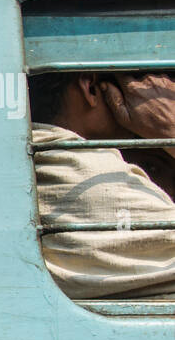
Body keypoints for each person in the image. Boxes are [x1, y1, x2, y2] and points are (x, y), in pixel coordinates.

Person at [30, 71, 175, 298]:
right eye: (154, 83)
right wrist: (169, 129)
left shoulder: (31, 159)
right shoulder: (88, 175)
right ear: (92, 88)